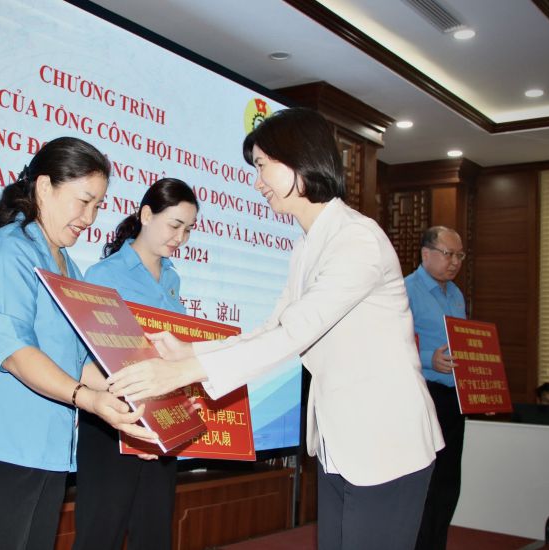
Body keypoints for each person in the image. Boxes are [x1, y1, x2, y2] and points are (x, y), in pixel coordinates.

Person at [107, 107, 444, 550]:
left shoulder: (357, 240)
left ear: (300, 158)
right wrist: (190, 353)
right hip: (342, 442)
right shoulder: (307, 246)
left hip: (387, 440)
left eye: (264, 165)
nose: (257, 180)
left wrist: (182, 373)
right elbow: (273, 328)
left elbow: (294, 334)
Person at [0, 137, 157, 550]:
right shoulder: (9, 251)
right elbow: (19, 355)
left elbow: (80, 365)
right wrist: (87, 399)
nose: (90, 217)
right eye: (83, 201)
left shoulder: (69, 269)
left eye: (98, 206)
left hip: (44, 455)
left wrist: (141, 417)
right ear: (43, 187)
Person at [73, 178, 199, 550]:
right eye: (174, 225)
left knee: (154, 532)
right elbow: (85, 359)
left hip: (162, 421)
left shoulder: (172, 279)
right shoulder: (104, 276)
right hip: (112, 421)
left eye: (188, 230)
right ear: (146, 215)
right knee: (101, 532)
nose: (180, 237)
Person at [404, 226, 466, 550]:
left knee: (448, 483)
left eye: (459, 255)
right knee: (424, 483)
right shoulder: (404, 291)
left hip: (455, 399)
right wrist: (430, 359)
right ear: (426, 253)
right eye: (448, 254)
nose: (454, 262)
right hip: (424, 395)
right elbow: (391, 345)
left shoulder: (456, 294)